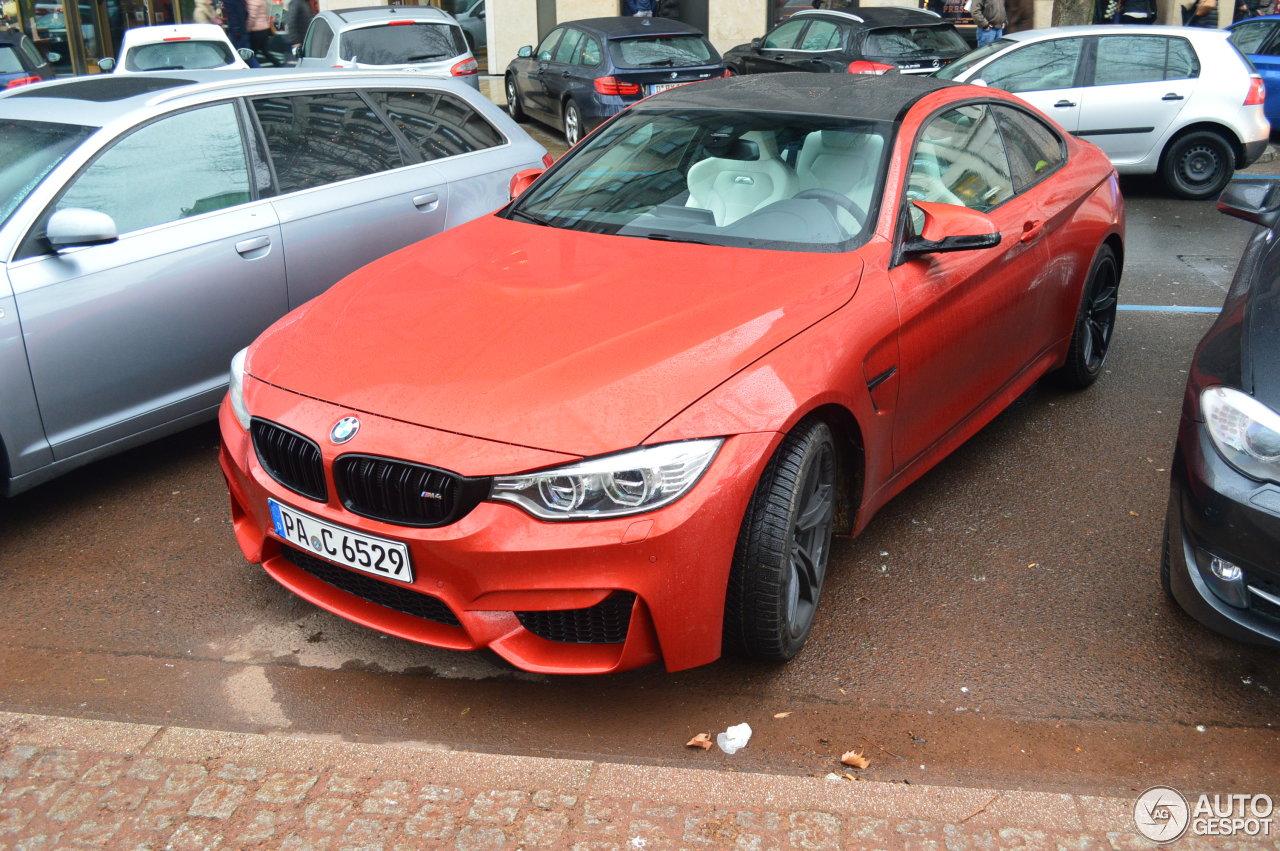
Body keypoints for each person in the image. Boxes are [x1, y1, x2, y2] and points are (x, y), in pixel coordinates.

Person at [245, 0, 280, 65]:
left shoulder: (252, 1)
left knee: (252, 53)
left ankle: (253, 68)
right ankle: (278, 64)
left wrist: (247, 29)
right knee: (265, 51)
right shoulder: (261, 1)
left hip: (256, 31)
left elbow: (252, 17)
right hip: (264, 29)